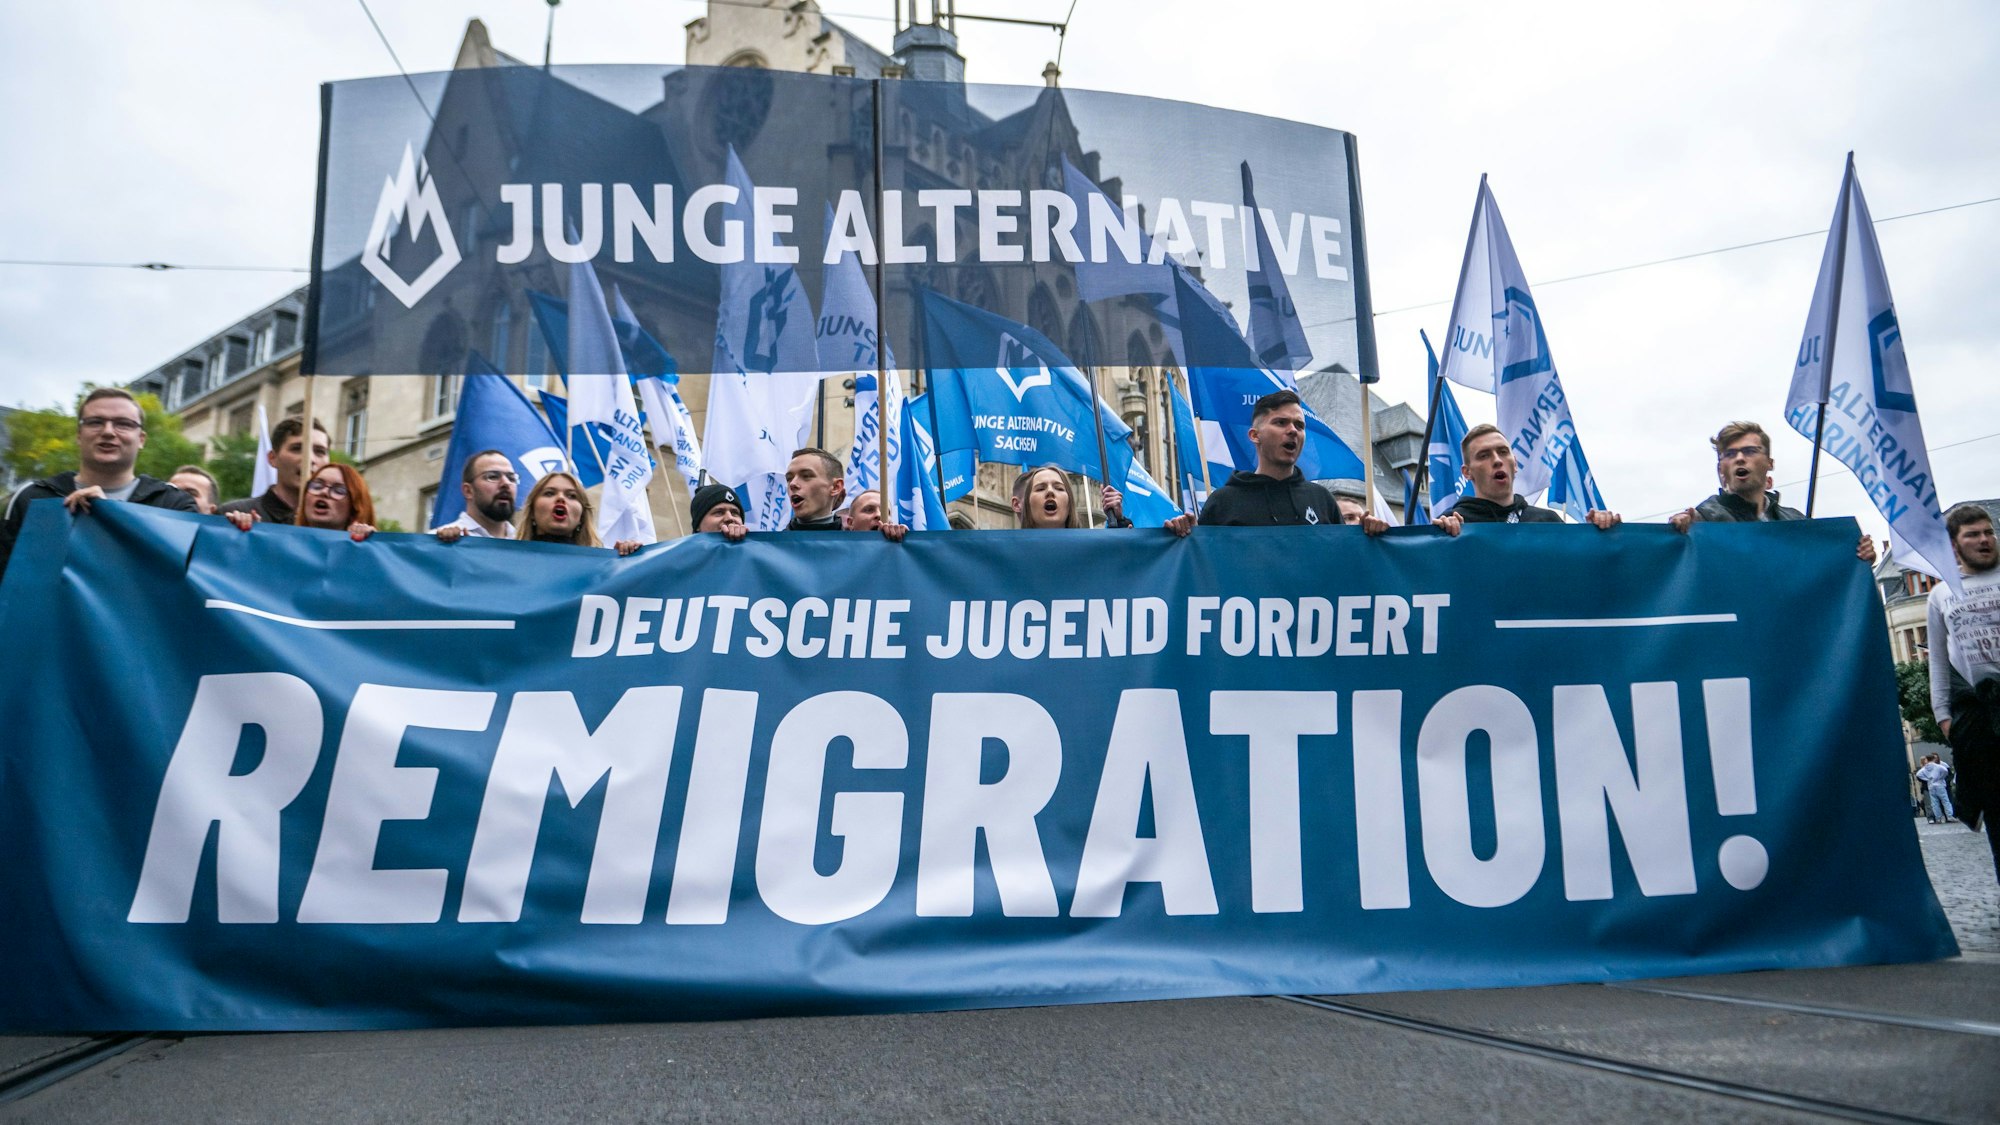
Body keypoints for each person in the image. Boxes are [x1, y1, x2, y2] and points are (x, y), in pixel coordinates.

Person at [1174, 390, 1454, 539]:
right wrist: (1179, 533)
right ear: (1254, 435)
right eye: (1280, 423)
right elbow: (1200, 570)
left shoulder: (1321, 500)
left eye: (1299, 425)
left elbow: (1346, 566)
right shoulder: (1223, 502)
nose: (1292, 431)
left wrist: (1369, 538)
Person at [0, 387, 200, 579]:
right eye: (96, 422)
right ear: (79, 435)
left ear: (141, 439)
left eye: (123, 424)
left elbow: (187, 583)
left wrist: (111, 515)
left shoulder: (172, 505)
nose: (108, 432)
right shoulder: (33, 497)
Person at [1669, 421, 1875, 562]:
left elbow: (1823, 570)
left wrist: (1857, 556)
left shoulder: (1795, 520)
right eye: (1729, 454)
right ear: (1720, 469)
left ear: (1770, 463)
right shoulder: (1704, 520)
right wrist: (1678, 529)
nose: (1739, 458)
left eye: (1750, 451)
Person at [1927, 502, 2000, 885]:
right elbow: (1938, 660)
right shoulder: (1941, 594)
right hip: (1980, 717)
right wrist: (1944, 715)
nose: (1984, 540)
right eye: (1973, 534)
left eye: (1988, 532)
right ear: (1955, 545)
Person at [1453, 423, 1618, 529]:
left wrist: (1598, 535)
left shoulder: (1549, 522)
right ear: (1467, 472)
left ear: (1515, 464)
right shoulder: (1456, 524)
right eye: (1484, 455)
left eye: (1503, 452)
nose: (1497, 460)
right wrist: (1442, 536)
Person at [217, 417, 330, 526]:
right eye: (297, 448)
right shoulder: (231, 515)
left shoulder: (335, 523)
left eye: (320, 451)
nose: (310, 459)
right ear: (272, 458)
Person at [518, 471, 642, 555]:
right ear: (532, 511)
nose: (561, 498)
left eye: (572, 496)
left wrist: (624, 562)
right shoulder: (508, 560)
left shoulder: (601, 566)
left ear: (582, 517)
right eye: (549, 493)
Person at [434, 450, 520, 543]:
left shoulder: (525, 542)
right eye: (492, 477)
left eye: (511, 478)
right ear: (468, 491)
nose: (506, 483)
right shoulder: (438, 542)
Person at [1010, 466, 1128, 530]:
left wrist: (1119, 521)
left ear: (1069, 502)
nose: (1050, 491)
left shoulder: (1090, 549)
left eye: (1059, 488)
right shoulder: (1008, 552)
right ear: (1027, 504)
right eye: (1040, 489)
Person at [1917, 754, 1955, 824]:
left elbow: (1918, 774)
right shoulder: (1938, 766)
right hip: (1939, 785)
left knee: (1934, 803)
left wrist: (1928, 779)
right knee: (1945, 801)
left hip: (1931, 786)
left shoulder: (1925, 768)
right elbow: (1945, 771)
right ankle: (1949, 816)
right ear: (1933, 759)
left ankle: (1938, 818)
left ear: (1927, 759)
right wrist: (1941, 777)